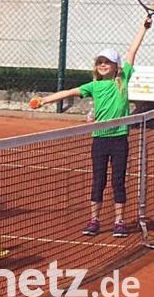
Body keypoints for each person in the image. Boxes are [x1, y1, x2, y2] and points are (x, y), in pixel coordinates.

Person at [30, 15, 151, 238]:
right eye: (100, 62)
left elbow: (132, 51)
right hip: (100, 139)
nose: (103, 65)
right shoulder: (93, 86)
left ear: (116, 67)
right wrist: (44, 100)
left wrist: (143, 28)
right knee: (98, 180)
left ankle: (119, 221)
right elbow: (69, 92)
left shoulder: (122, 80)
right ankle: (94, 220)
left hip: (120, 138)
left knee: (118, 180)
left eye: (107, 62)